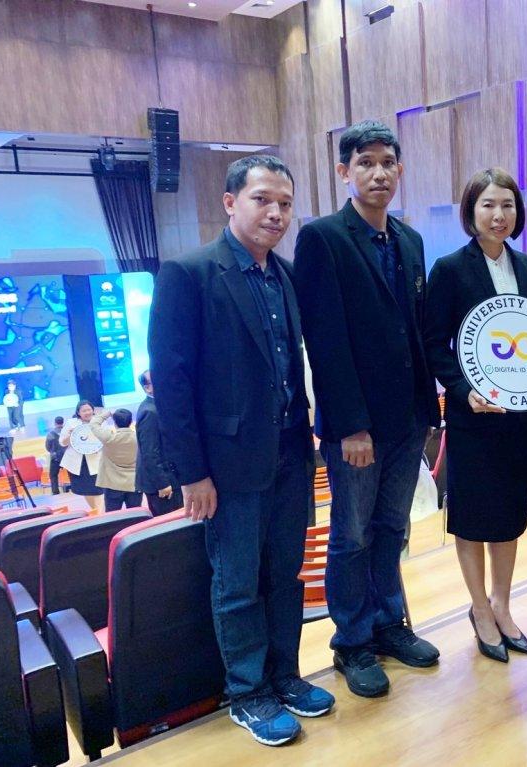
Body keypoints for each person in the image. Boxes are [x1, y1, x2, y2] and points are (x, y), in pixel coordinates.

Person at [149, 154, 333, 747]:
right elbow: (172, 382)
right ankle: (247, 693)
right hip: (227, 467)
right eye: (262, 200)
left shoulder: (286, 275)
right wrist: (192, 473)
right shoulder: (190, 273)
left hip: (290, 454)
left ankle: (285, 676)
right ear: (230, 202)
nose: (275, 213)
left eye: (285, 203)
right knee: (237, 583)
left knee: (285, 573)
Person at [293, 120, 441, 698]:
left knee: (391, 527)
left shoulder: (409, 240)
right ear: (344, 171)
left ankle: (388, 623)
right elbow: (324, 341)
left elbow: (416, 329)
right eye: (365, 163)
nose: (379, 173)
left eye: (387, 163)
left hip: (409, 416)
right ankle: (351, 641)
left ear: (399, 169)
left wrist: (430, 405)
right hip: (358, 426)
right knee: (351, 535)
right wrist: (351, 425)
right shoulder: (323, 238)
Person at [423, 168, 527, 663]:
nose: (499, 215)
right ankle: (479, 608)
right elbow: (434, 343)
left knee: (509, 513)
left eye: (507, 205)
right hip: (472, 414)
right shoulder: (450, 269)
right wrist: (464, 390)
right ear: (471, 211)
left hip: (516, 416)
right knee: (472, 516)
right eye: (488, 204)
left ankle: (503, 604)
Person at [134, 370, 181, 515]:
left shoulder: (157, 405)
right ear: (147, 388)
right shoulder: (150, 411)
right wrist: (162, 483)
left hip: (169, 477)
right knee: (170, 523)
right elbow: (149, 452)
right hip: (162, 483)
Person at [90, 408, 143, 511]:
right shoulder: (138, 437)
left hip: (112, 484)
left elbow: (93, 424)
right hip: (134, 483)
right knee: (135, 514)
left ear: (114, 423)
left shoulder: (108, 437)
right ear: (131, 422)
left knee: (112, 516)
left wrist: (107, 414)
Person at [59, 400, 104, 511]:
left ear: (93, 410)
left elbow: (106, 439)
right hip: (78, 464)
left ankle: (100, 514)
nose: (87, 412)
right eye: (84, 411)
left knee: (99, 490)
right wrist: (71, 435)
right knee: (86, 490)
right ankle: (96, 511)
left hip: (96, 462)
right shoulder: (71, 423)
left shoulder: (99, 422)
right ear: (78, 413)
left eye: (89, 409)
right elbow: (62, 442)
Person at [45, 416, 66, 493]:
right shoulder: (67, 432)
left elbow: (48, 447)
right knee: (72, 473)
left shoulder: (50, 434)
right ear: (63, 422)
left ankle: (55, 492)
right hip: (67, 456)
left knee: (53, 475)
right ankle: (75, 489)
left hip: (56, 458)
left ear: (55, 423)